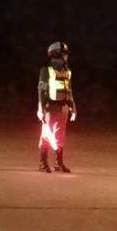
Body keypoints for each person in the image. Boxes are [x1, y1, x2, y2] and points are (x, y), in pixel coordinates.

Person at [36, 41, 76, 173]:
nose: (66, 56)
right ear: (57, 54)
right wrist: (40, 108)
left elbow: (69, 90)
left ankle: (59, 163)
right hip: (50, 107)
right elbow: (41, 90)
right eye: (64, 54)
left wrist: (73, 106)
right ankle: (43, 163)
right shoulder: (46, 70)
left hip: (63, 107)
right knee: (46, 134)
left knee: (60, 136)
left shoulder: (67, 71)